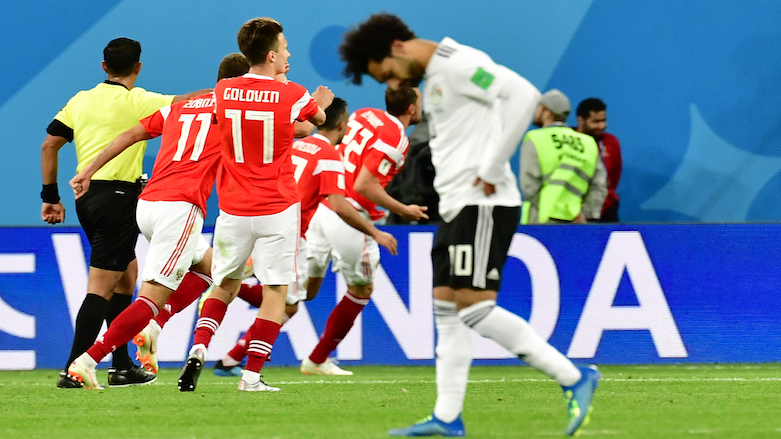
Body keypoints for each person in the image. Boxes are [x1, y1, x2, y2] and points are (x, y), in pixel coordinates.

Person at [339, 13, 600, 437]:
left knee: (475, 309)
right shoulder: (439, 74)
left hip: (484, 204)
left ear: (399, 48)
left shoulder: (459, 64)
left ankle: (573, 376)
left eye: (386, 75)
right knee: (445, 308)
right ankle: (446, 417)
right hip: (458, 205)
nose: (390, 86)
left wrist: (495, 164)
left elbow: (522, 94)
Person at [61, 53, 252, 389]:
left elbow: (129, 136)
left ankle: (154, 326)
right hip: (180, 208)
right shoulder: (235, 111)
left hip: (147, 203)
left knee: (215, 271)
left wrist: (87, 171)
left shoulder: (180, 107)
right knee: (150, 298)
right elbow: (299, 128)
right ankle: (87, 361)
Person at [40, 37, 209, 388]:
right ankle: (73, 368)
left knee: (126, 276)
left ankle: (121, 366)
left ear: (103, 66)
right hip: (118, 196)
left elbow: (49, 144)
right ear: (138, 67)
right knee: (101, 285)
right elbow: (189, 103)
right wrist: (235, 89)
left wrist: (50, 196)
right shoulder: (138, 99)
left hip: (86, 198)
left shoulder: (80, 99)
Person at [178, 17, 333, 393]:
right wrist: (317, 100)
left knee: (224, 285)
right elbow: (318, 119)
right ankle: (250, 376)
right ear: (270, 55)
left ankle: (198, 348)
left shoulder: (224, 89)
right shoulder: (293, 93)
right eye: (284, 48)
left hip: (232, 209)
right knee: (276, 292)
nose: (288, 53)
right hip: (277, 208)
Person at [213, 97, 400, 376]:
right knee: (286, 303)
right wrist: (375, 231)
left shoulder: (298, 143)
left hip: (276, 220)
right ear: (342, 124)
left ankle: (230, 359)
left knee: (301, 297)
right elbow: (337, 203)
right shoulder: (330, 156)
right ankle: (234, 300)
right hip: (292, 232)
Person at [301, 85, 426, 376]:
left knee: (302, 292)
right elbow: (364, 185)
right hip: (350, 215)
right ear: (410, 108)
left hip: (323, 206)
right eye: (419, 101)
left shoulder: (364, 114)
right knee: (362, 288)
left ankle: (235, 354)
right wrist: (403, 209)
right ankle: (318, 358)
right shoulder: (397, 138)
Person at [519, 89, 607, 225]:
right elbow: (599, 186)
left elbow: (529, 186)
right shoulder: (587, 143)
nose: (535, 112)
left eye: (539, 107)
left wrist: (551, 214)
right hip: (576, 222)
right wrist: (584, 214)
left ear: (547, 112)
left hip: (540, 222)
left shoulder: (536, 139)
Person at [575, 98, 622, 222]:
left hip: (606, 211)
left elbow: (613, 179)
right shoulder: (568, 140)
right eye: (596, 122)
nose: (601, 126)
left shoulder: (611, 142)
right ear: (580, 120)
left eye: (603, 120)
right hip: (573, 212)